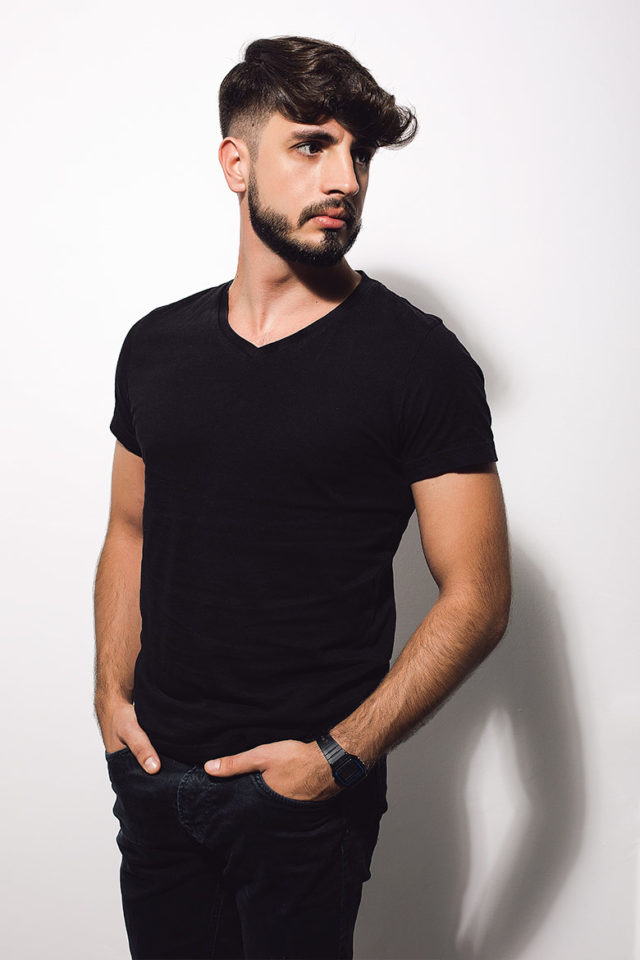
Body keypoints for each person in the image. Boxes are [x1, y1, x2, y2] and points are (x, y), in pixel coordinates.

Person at [94, 34, 511, 960]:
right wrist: (111, 697)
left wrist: (336, 759)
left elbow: (479, 597)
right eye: (313, 145)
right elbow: (129, 530)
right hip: (155, 778)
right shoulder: (155, 348)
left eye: (358, 155)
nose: (345, 179)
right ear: (236, 164)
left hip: (299, 804)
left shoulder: (419, 362)